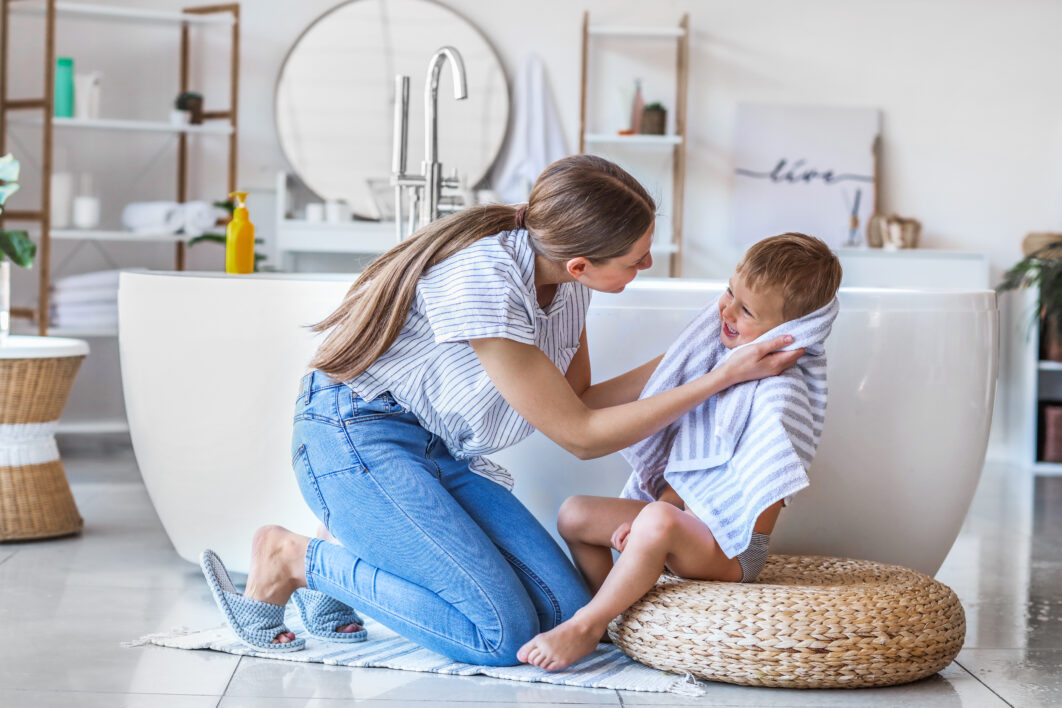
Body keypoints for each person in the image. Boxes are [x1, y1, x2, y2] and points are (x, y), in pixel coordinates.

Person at [199, 155, 804, 665]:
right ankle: (293, 558)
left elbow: (581, 399)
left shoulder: (567, 287)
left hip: (434, 448)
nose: (646, 266)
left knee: (563, 613)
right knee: (497, 635)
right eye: (637, 259)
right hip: (354, 436)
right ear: (581, 263)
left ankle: (358, 539)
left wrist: (695, 362)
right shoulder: (485, 279)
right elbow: (582, 435)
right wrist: (719, 378)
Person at [518, 233, 842, 671]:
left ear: (786, 334)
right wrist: (661, 519)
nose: (725, 310)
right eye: (729, 290)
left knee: (656, 519)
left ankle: (587, 625)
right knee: (575, 514)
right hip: (685, 520)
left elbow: (745, 501)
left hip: (733, 545)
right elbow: (689, 466)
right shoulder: (715, 362)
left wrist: (662, 523)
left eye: (746, 310)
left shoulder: (776, 397)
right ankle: (615, 617)